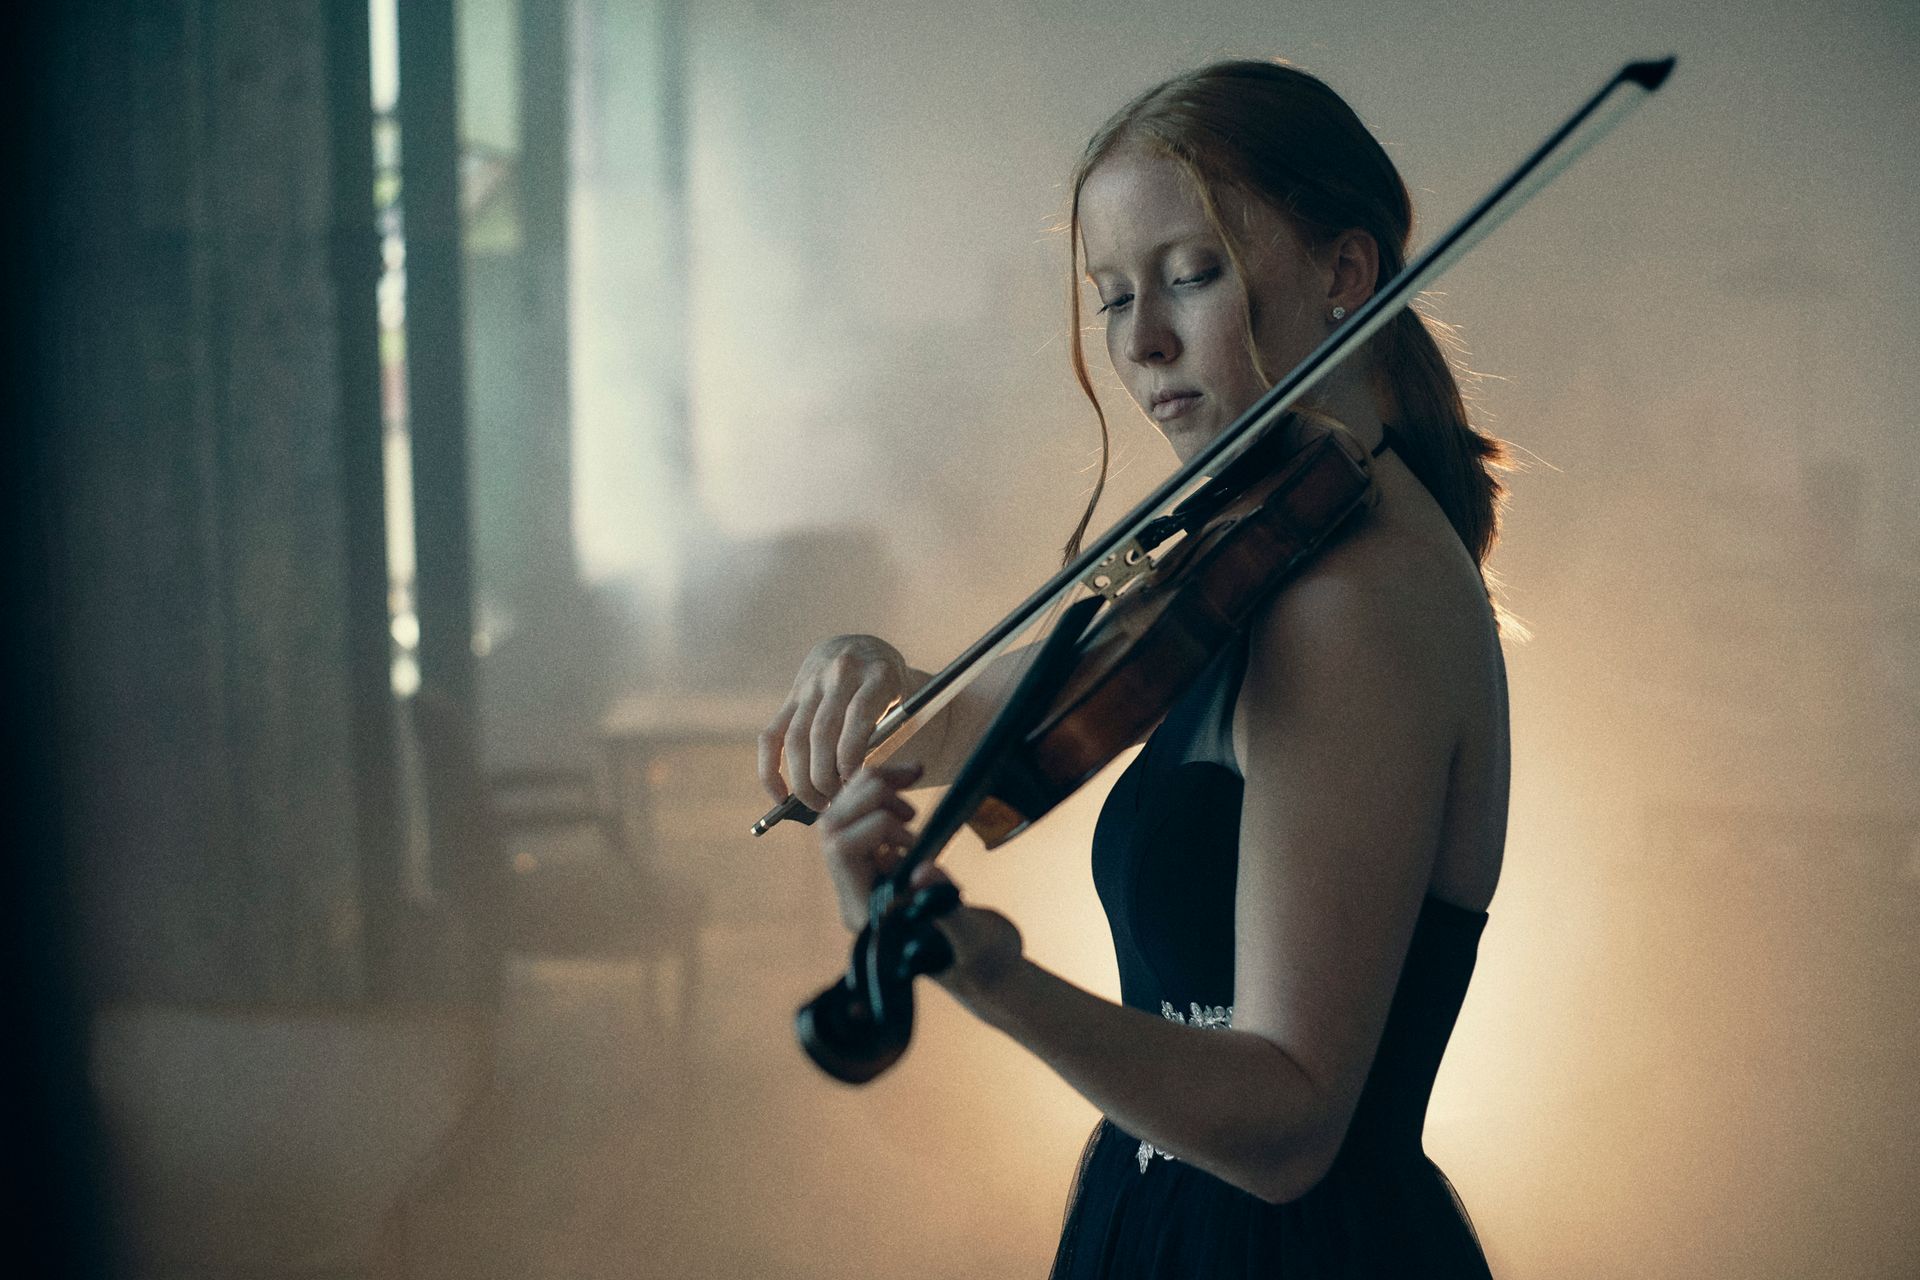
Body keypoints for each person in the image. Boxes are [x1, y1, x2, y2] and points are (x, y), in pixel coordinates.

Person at [758, 59, 1507, 1278]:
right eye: (1112, 298)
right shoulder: (1256, 558)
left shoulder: (1352, 600)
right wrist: (868, 664)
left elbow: (1290, 1125)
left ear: (1346, 274)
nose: (1146, 342)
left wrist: (995, 976)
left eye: (1193, 275)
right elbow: (936, 733)